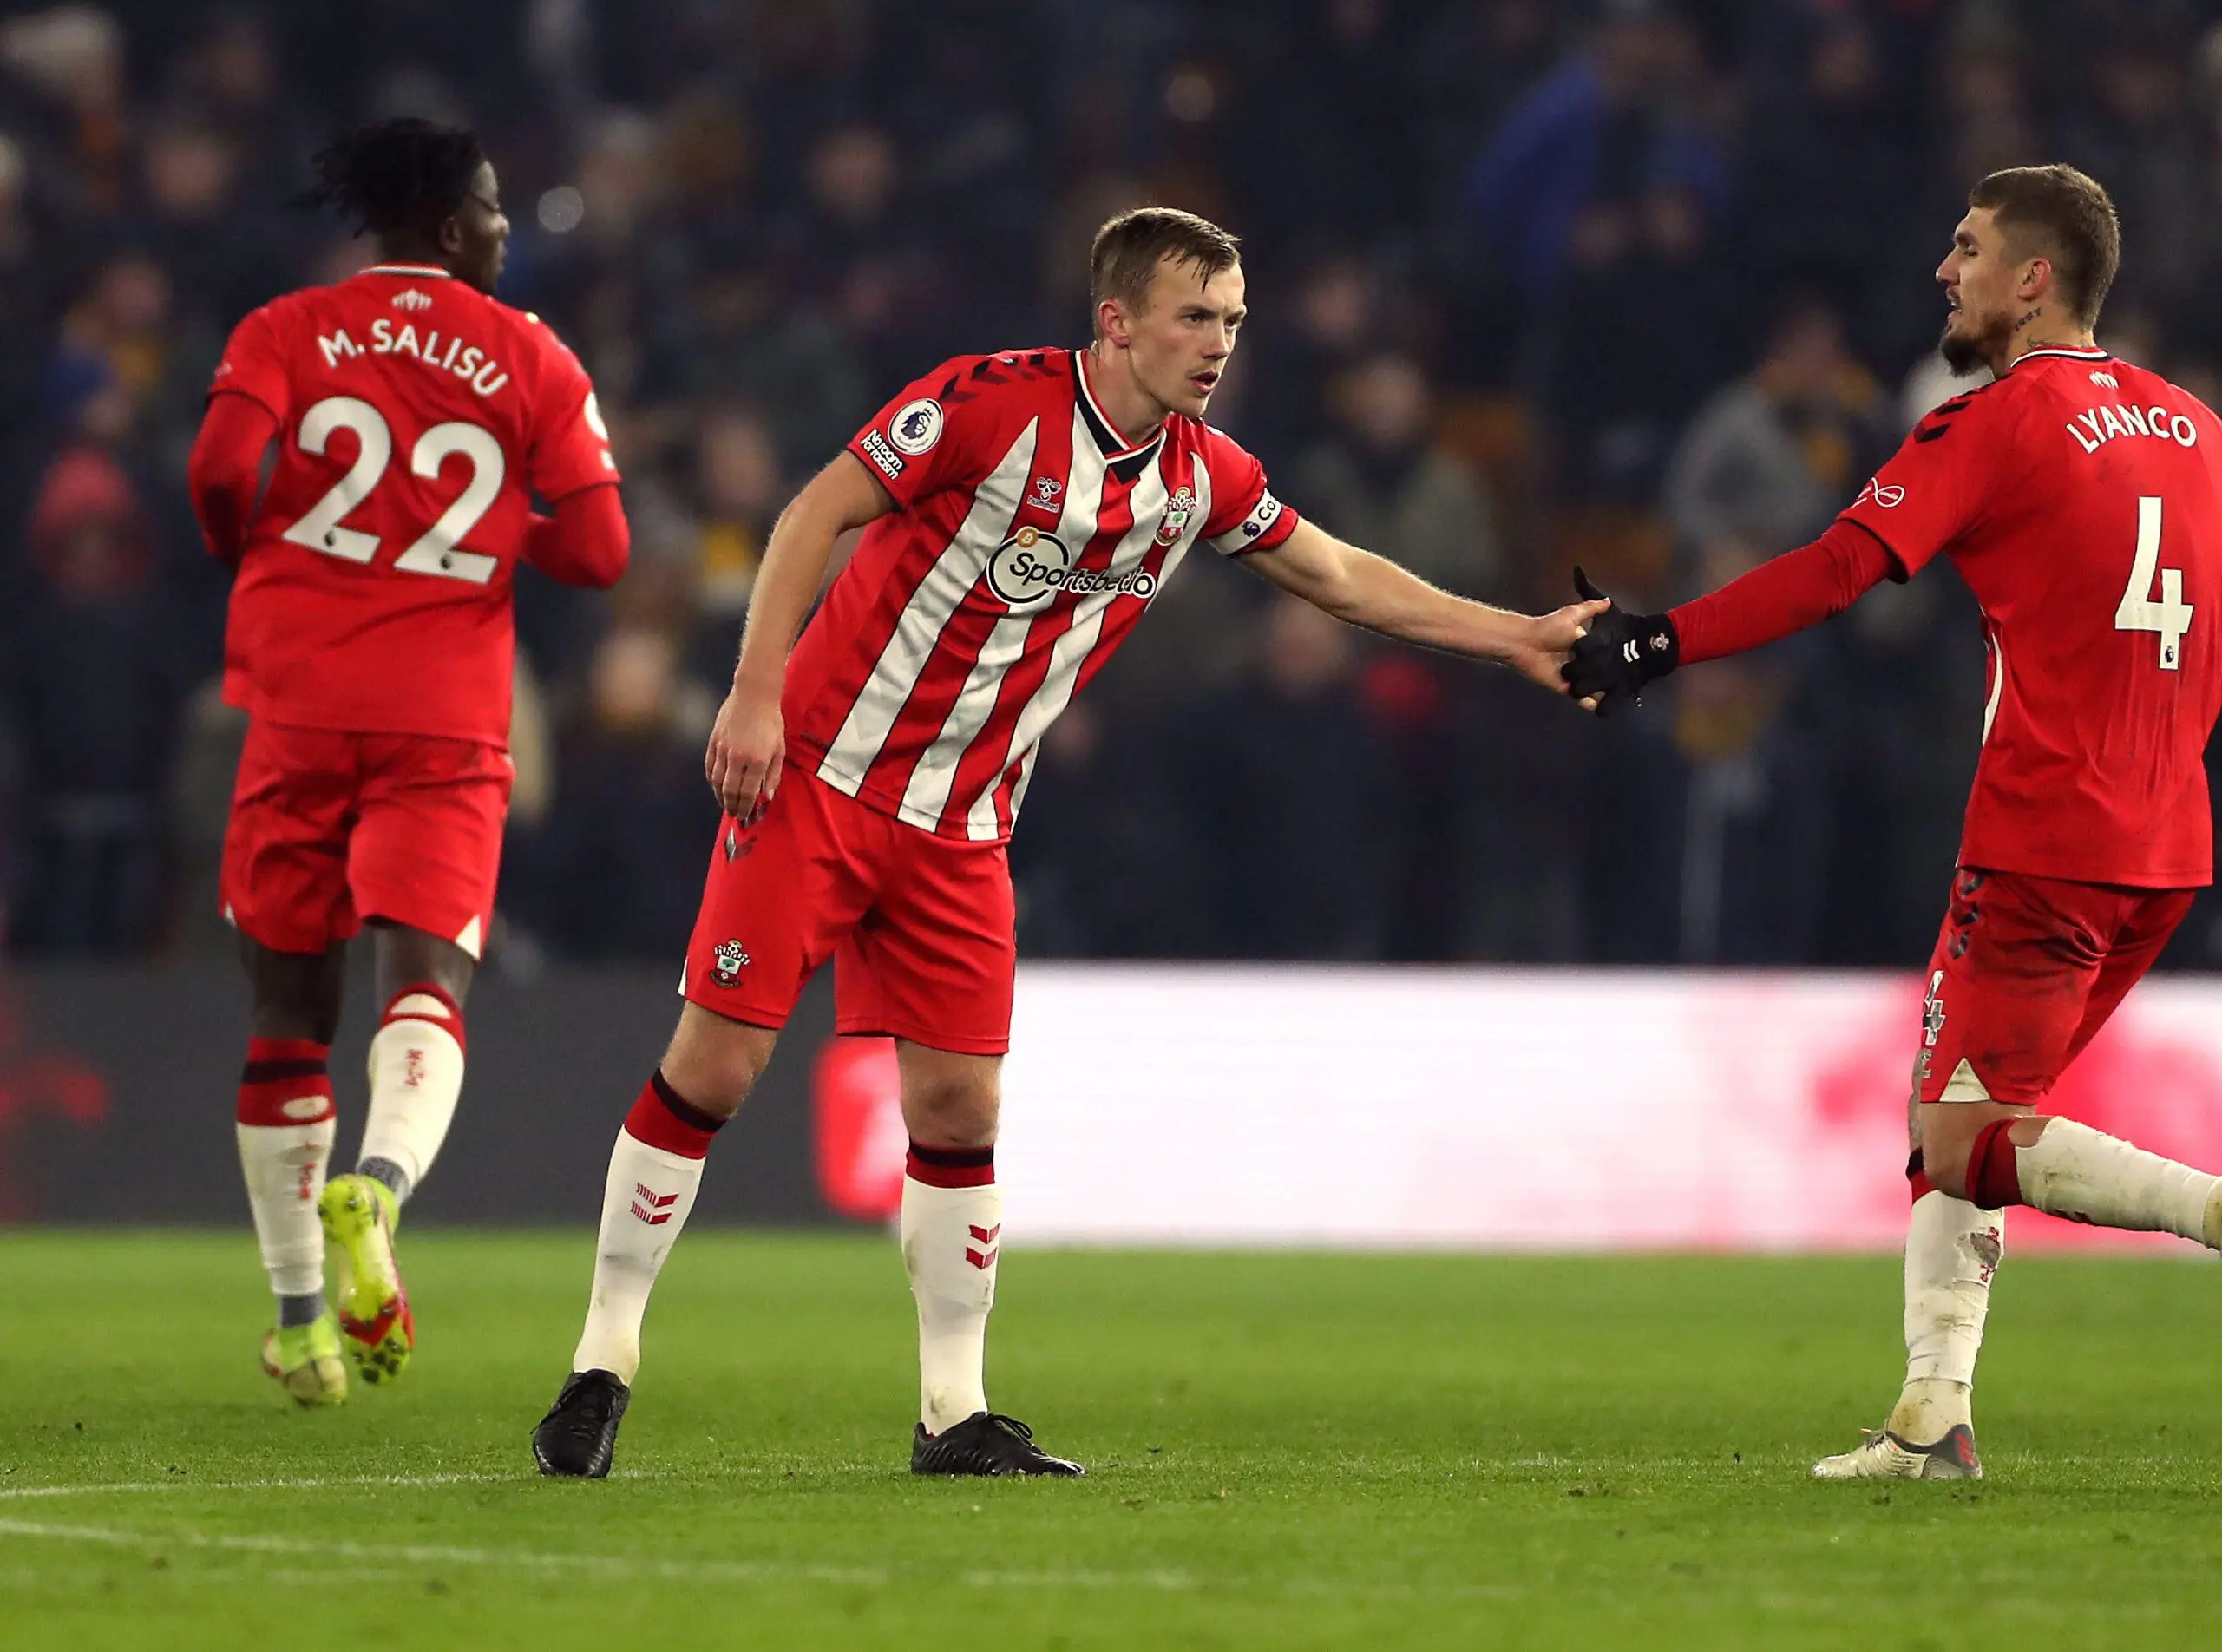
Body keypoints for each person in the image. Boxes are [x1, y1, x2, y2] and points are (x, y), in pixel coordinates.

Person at [530, 207, 1595, 1481]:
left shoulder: (1201, 474)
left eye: (1236, 322)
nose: (1219, 345)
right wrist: (754, 691)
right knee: (717, 1067)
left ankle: (952, 1410)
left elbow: (1345, 575)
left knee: (960, 1100)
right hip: (821, 776)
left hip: (966, 823)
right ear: (1117, 319)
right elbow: (811, 512)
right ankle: (601, 1364)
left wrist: (1518, 634)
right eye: (1197, 316)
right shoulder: (987, 407)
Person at [1563, 165, 2222, 1478]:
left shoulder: (1994, 422)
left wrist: (1663, 640)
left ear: (2033, 278)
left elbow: (1840, 567)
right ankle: (1931, 1416)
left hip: (2044, 835)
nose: (1944, 271)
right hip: (2165, 853)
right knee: (1969, 1106)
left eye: (1966, 246)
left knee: (1966, 1136)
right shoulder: (2196, 429)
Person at [187, 118, 631, 1406]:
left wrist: (257, 545)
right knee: (424, 981)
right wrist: (498, 532)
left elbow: (220, 467)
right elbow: (599, 552)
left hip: (300, 699)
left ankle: (299, 1324)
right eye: (493, 211)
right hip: (443, 711)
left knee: (285, 1013)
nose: (505, 229)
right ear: (449, 227)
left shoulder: (286, 329)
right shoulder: (530, 353)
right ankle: (374, 1192)